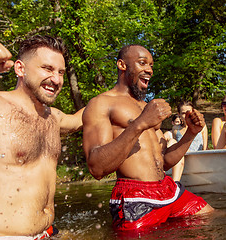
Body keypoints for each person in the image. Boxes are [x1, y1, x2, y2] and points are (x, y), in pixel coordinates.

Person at [82, 44, 214, 231]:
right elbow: (96, 167)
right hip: (135, 197)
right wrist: (140, 123)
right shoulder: (101, 103)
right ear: (122, 65)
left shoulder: (146, 106)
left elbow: (163, 162)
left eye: (151, 65)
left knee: (214, 218)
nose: (149, 70)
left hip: (167, 189)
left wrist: (191, 133)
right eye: (142, 63)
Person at [0, 36, 84, 239]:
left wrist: (121, 98)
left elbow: (81, 119)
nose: (57, 80)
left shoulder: (54, 117)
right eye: (47, 69)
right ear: (20, 69)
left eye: (60, 72)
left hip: (47, 233)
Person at [171, 101, 208, 181]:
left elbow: (205, 148)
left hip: (197, 159)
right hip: (183, 159)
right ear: (179, 114)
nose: (186, 115)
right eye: (183, 113)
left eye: (189, 112)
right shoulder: (175, 129)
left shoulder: (202, 126)